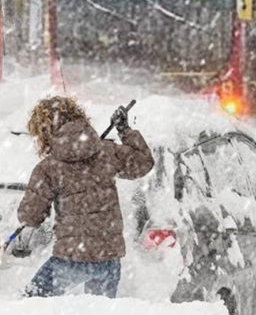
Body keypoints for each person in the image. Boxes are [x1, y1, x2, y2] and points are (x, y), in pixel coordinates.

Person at [17, 96, 154, 298]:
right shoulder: (106, 152)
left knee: (30, 304)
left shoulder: (48, 168)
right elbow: (144, 163)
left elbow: (30, 214)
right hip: (108, 257)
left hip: (71, 257)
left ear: (44, 132)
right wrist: (124, 130)